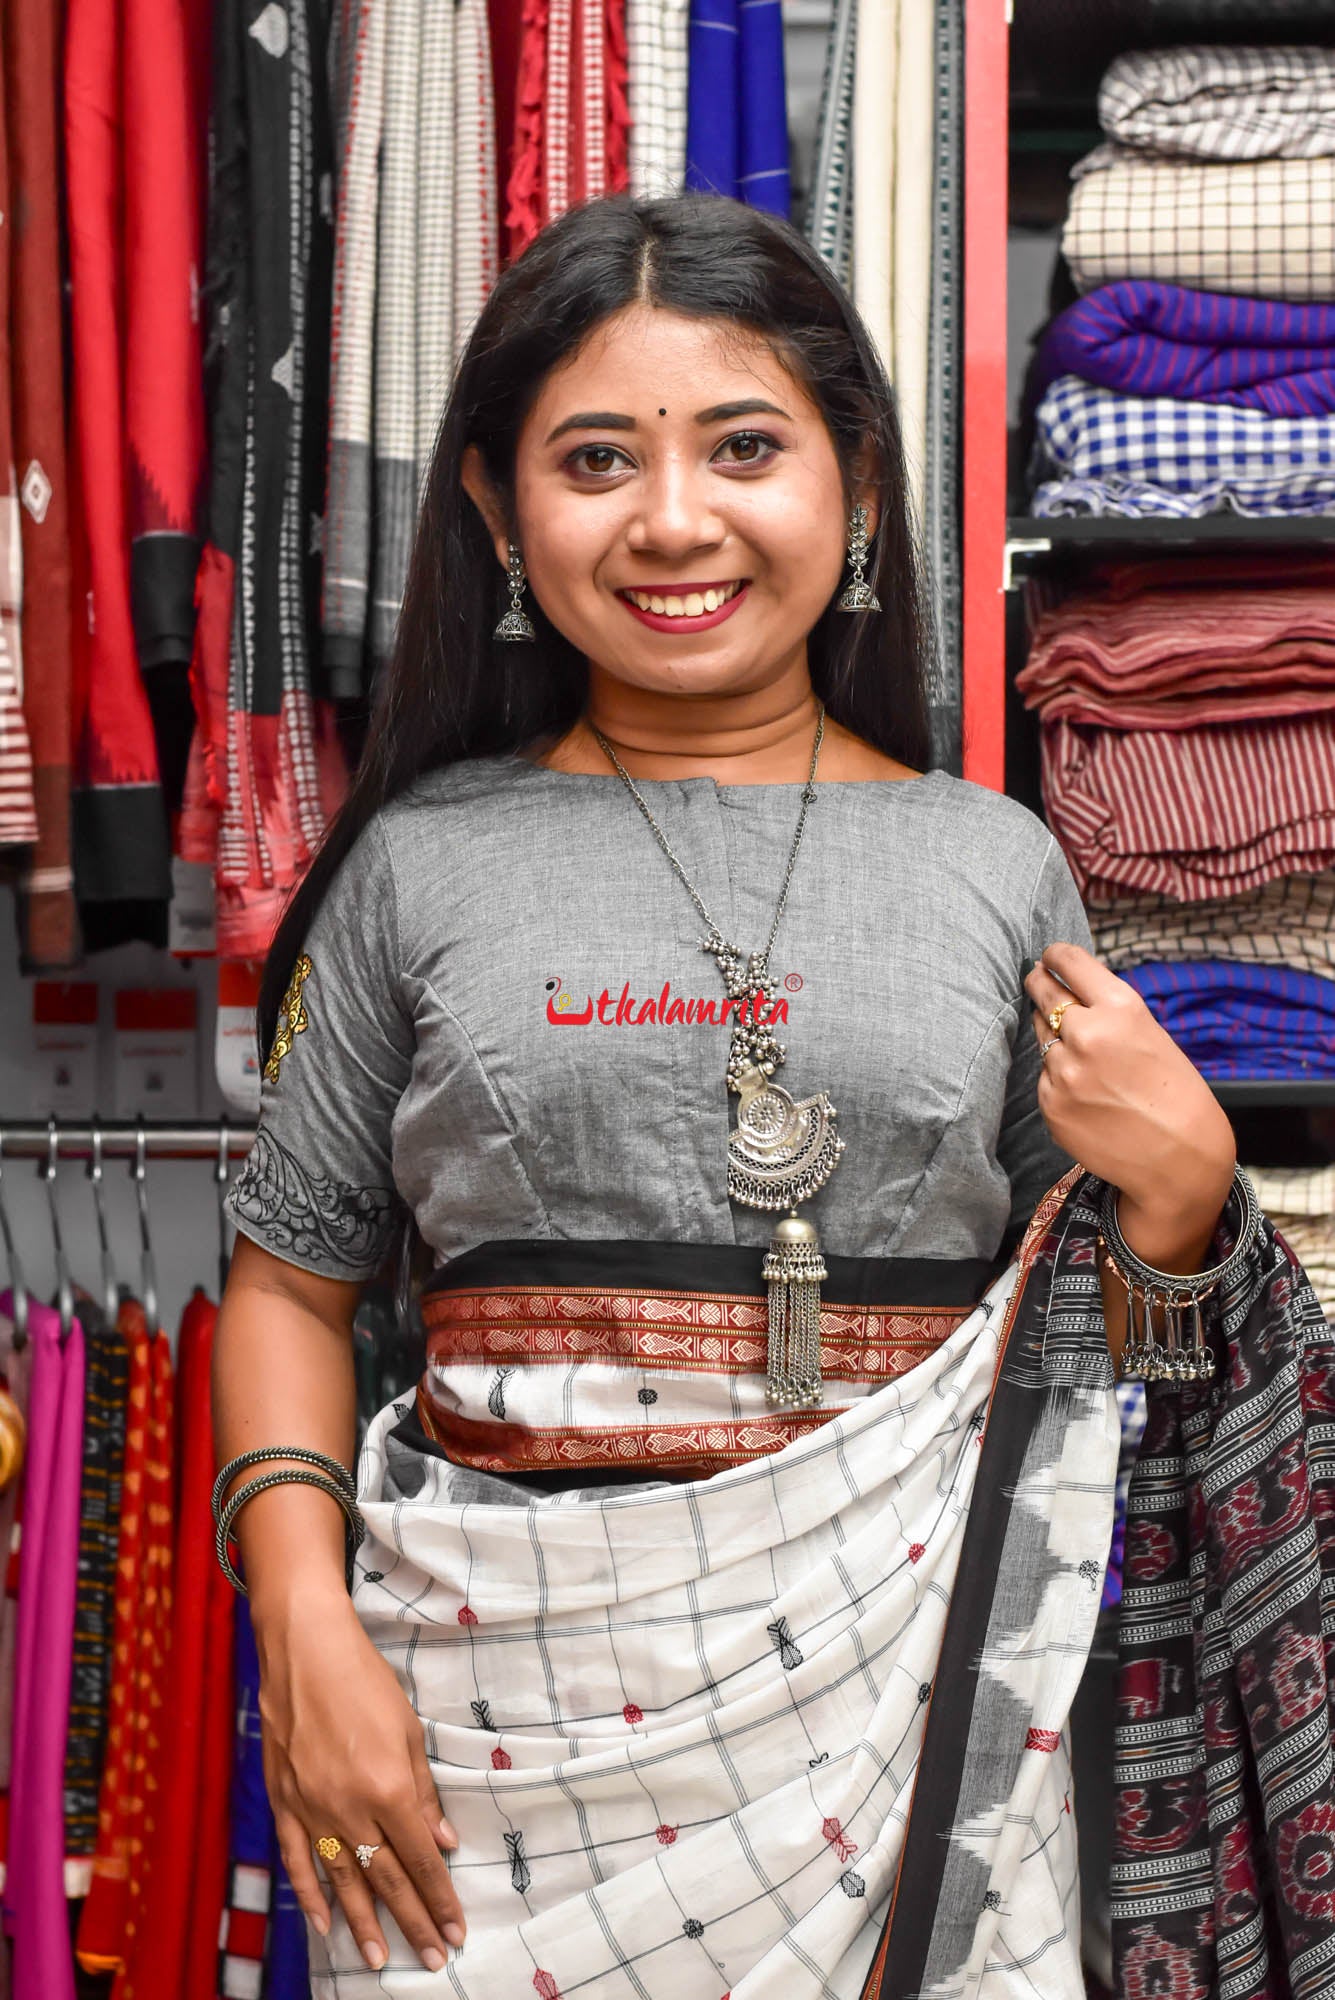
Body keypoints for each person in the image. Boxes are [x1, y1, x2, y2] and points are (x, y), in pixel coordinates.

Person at [212, 192, 1240, 1998]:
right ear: (492, 510)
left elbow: (1096, 1369)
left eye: (744, 446)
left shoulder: (993, 865)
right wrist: (301, 1621)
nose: (675, 520)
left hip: (915, 1712)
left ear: (850, 473)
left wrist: (1182, 1201)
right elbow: (289, 1284)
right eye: (595, 457)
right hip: (492, 1750)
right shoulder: (419, 870)